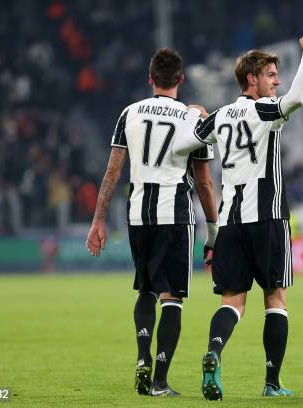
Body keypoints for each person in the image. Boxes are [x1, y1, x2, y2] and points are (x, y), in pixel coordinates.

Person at [174, 34, 303, 400]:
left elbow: (184, 142)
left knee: (232, 303)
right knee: (276, 300)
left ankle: (214, 353)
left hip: (230, 224)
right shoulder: (265, 110)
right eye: (271, 75)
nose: (277, 81)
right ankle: (271, 383)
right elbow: (298, 97)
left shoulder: (220, 115)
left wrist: (193, 113)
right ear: (251, 79)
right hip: (268, 219)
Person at [86, 48, 218, 397]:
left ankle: (143, 357)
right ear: (181, 79)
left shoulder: (129, 113)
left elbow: (112, 171)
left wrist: (98, 219)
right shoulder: (192, 119)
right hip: (174, 213)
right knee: (171, 297)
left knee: (145, 289)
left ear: (150, 78)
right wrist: (213, 229)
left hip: (137, 213)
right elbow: (204, 182)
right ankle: (159, 380)